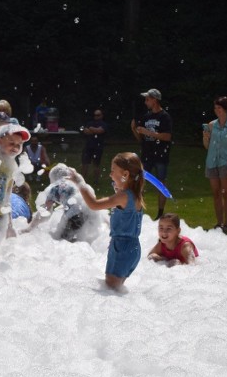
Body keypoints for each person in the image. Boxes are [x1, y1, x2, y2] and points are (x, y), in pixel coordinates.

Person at [72, 152, 144, 290]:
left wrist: (80, 183)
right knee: (115, 290)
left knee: (111, 291)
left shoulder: (123, 197)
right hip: (132, 248)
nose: (110, 175)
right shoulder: (135, 194)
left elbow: (94, 204)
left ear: (125, 175)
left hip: (121, 248)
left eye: (112, 171)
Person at [131, 89, 172, 219]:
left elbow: (167, 136)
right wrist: (134, 129)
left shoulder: (165, 117)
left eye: (147, 99)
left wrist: (148, 133)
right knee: (140, 182)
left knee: (161, 183)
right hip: (147, 154)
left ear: (155, 100)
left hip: (161, 155)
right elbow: (140, 139)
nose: (145, 102)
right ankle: (137, 211)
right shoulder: (146, 117)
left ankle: (160, 214)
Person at [202, 97, 227, 233]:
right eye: (215, 108)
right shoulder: (212, 125)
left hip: (226, 162)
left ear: (226, 109)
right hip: (212, 162)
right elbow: (207, 147)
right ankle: (219, 222)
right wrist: (205, 137)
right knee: (216, 193)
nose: (217, 110)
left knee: (226, 193)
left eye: (219, 108)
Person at [29, 163, 94, 242]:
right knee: (84, 240)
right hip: (89, 213)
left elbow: (44, 211)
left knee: (63, 242)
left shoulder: (54, 188)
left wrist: (30, 227)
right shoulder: (76, 182)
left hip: (75, 216)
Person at [81, 109, 107, 185]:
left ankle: (96, 181)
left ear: (101, 116)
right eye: (95, 115)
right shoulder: (90, 123)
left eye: (98, 115)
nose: (96, 117)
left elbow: (100, 131)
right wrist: (94, 130)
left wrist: (91, 129)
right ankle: (82, 180)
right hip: (88, 146)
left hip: (98, 147)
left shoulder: (103, 124)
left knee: (96, 164)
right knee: (84, 163)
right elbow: (85, 131)